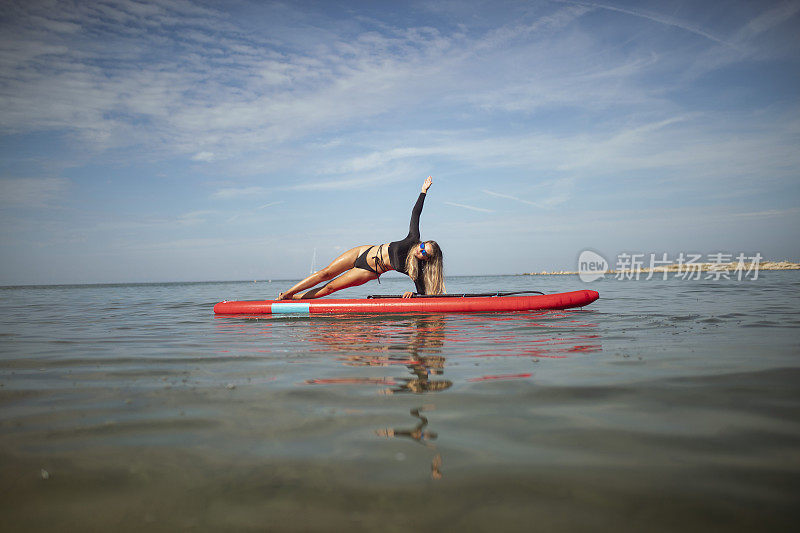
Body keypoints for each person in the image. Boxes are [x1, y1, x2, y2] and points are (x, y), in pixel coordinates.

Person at [278, 176, 444, 300]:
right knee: (325, 273)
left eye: (425, 254)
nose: (420, 251)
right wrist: (423, 191)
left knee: (330, 288)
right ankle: (287, 293)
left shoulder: (415, 269)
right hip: (363, 252)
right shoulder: (413, 239)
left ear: (428, 260)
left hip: (369, 271)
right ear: (422, 243)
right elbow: (416, 214)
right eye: (423, 247)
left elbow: (422, 294)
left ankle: (291, 299)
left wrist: (412, 294)